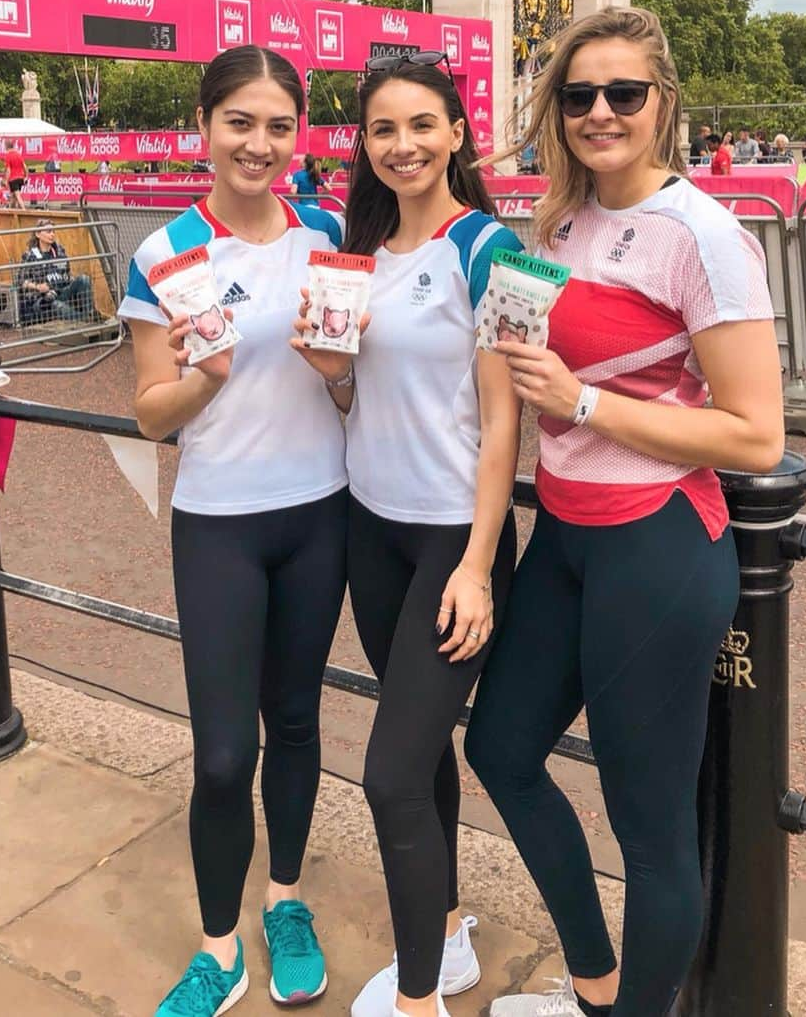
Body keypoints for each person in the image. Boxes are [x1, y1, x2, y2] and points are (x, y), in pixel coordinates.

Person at [463, 6, 783, 1017]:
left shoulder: (705, 234)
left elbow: (757, 436)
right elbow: (506, 377)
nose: (600, 111)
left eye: (623, 92)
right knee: (501, 748)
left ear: (663, 103)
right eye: (578, 93)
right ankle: (598, 983)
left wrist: (587, 401)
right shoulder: (555, 223)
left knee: (649, 827)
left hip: (657, 543)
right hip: (564, 535)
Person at [120, 46, 349, 1015]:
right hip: (216, 521)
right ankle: (220, 949)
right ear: (204, 126)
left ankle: (285, 900)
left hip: (318, 512)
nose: (260, 144)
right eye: (241, 122)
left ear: (300, 135)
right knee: (223, 752)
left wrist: (337, 369)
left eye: (279, 125)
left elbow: (347, 381)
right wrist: (201, 379)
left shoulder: (328, 229)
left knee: (295, 720)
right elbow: (148, 414)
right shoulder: (166, 250)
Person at [295, 53, 522, 1017]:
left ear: (457, 132)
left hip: (450, 543)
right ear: (364, 143)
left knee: (388, 776)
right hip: (368, 526)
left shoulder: (494, 248)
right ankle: (450, 929)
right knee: (421, 754)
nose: (403, 146)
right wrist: (329, 370)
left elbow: (507, 419)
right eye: (383, 129)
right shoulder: (357, 250)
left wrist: (477, 562)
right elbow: (357, 393)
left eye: (422, 125)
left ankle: (421, 997)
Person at [19, 221, 96, 324]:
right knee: (56, 306)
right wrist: (37, 287)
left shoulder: (60, 251)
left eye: (53, 231)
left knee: (84, 279)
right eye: (48, 231)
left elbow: (66, 274)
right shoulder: (30, 255)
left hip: (61, 291)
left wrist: (71, 280)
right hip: (43, 300)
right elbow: (20, 281)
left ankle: (88, 314)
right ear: (38, 234)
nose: (52, 234)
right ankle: (84, 319)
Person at [3, 140, 27, 208]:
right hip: (20, 178)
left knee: (17, 196)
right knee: (13, 196)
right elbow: (24, 166)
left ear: (6, 146)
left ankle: (24, 211)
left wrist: (5, 180)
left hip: (13, 178)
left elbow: (8, 170)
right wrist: (26, 176)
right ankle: (11, 212)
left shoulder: (8, 155)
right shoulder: (18, 154)